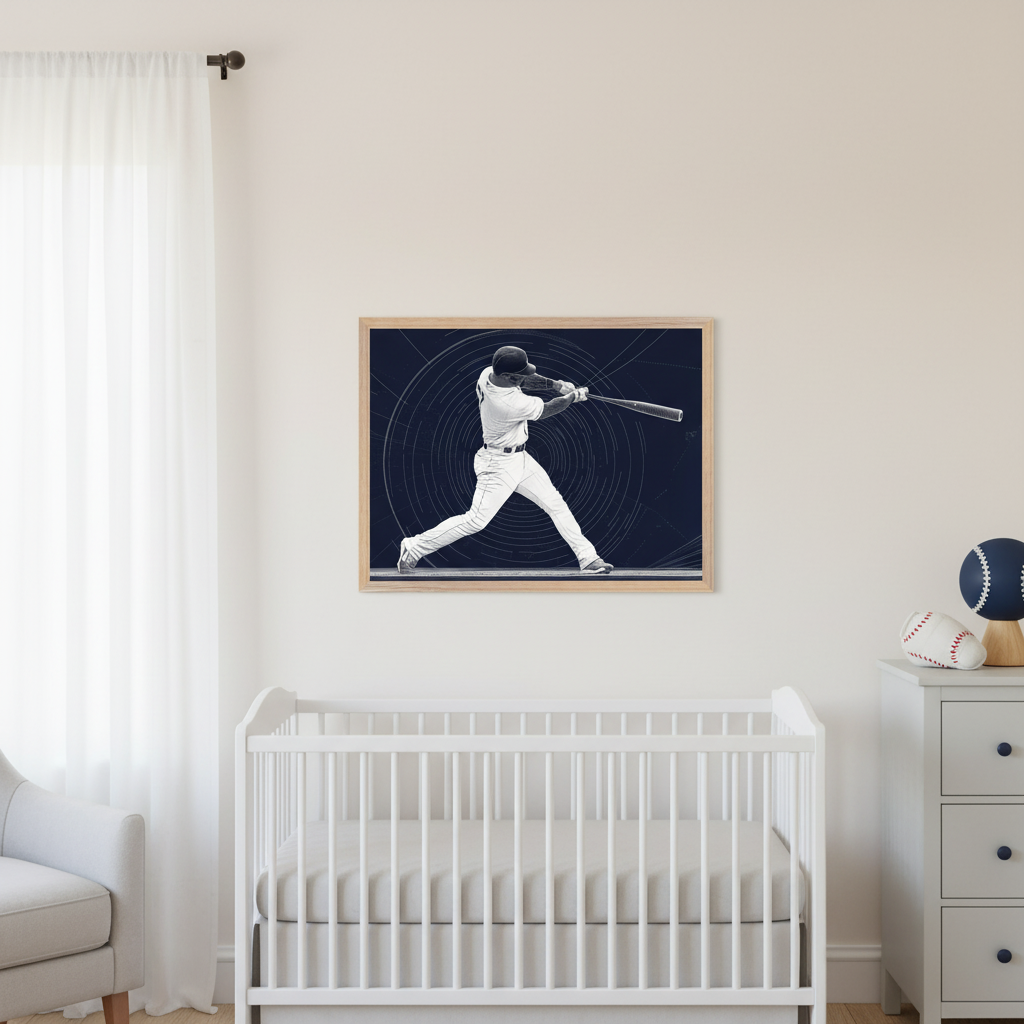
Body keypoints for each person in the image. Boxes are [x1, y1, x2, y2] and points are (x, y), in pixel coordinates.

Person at [398, 345, 614, 574]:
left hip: (520, 458)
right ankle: (413, 547)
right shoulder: (508, 404)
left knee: (555, 504)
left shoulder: (488, 373)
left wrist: (557, 385)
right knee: (476, 520)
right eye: (519, 375)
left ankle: (588, 558)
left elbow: (528, 380)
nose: (525, 377)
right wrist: (573, 397)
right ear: (508, 376)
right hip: (497, 465)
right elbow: (547, 409)